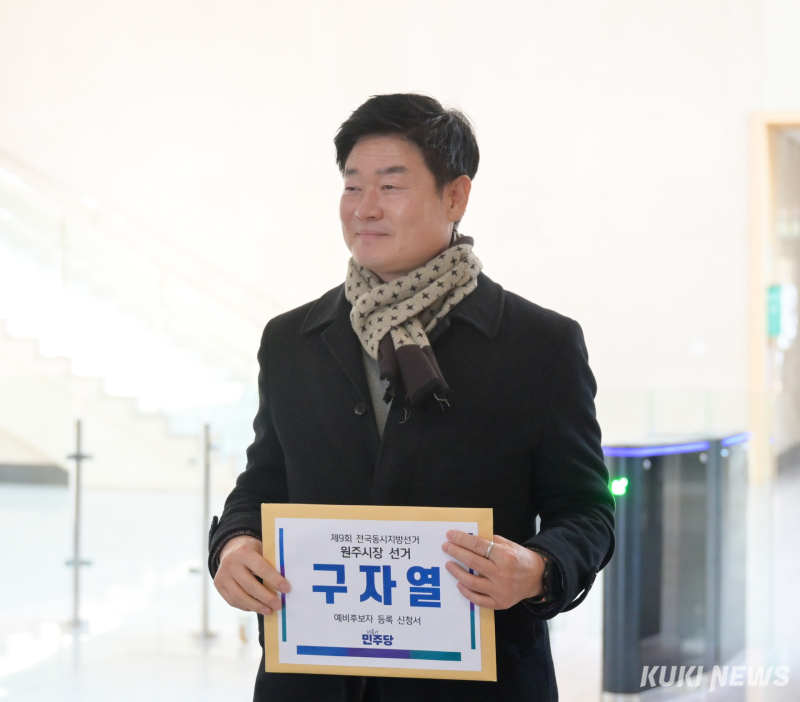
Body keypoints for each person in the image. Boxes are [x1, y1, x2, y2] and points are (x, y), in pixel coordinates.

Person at [208, 93, 615, 702]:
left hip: (479, 684)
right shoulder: (292, 340)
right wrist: (234, 542)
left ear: (456, 197)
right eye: (352, 186)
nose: (364, 208)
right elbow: (264, 482)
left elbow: (587, 511)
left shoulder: (540, 344)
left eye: (391, 186)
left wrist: (538, 569)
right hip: (315, 682)